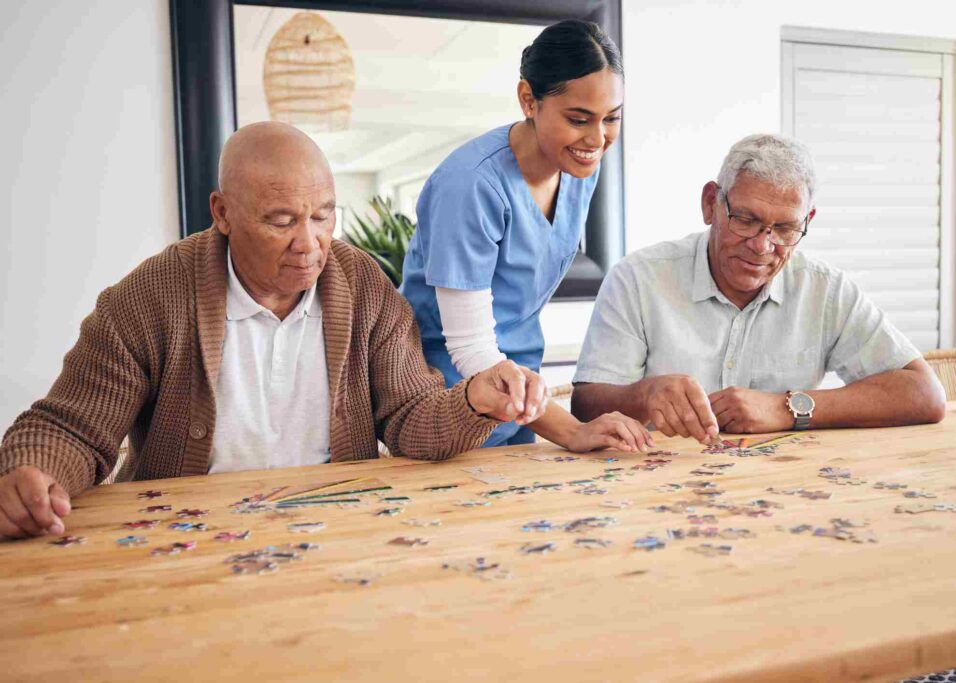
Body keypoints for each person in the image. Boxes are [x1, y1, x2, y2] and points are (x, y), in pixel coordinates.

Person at [0, 122, 569, 541]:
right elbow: (72, 427)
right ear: (222, 213)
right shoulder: (150, 296)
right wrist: (35, 472)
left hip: (339, 528)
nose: (310, 242)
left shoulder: (364, 285)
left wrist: (473, 401)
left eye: (323, 215)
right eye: (281, 221)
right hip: (181, 536)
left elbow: (411, 421)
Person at [571, 133, 946, 442]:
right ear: (710, 204)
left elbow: (924, 394)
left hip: (783, 490)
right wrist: (645, 394)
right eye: (746, 220)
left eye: (785, 229)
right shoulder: (638, 278)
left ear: (807, 219)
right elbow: (585, 406)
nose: (762, 246)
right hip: (653, 486)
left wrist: (788, 408)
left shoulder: (825, 290)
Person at [400, 19, 643, 451]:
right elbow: (472, 349)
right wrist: (572, 431)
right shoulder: (470, 185)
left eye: (611, 118)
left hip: (524, 397)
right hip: (449, 401)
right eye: (578, 119)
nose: (597, 138)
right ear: (528, 99)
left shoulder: (580, 166)